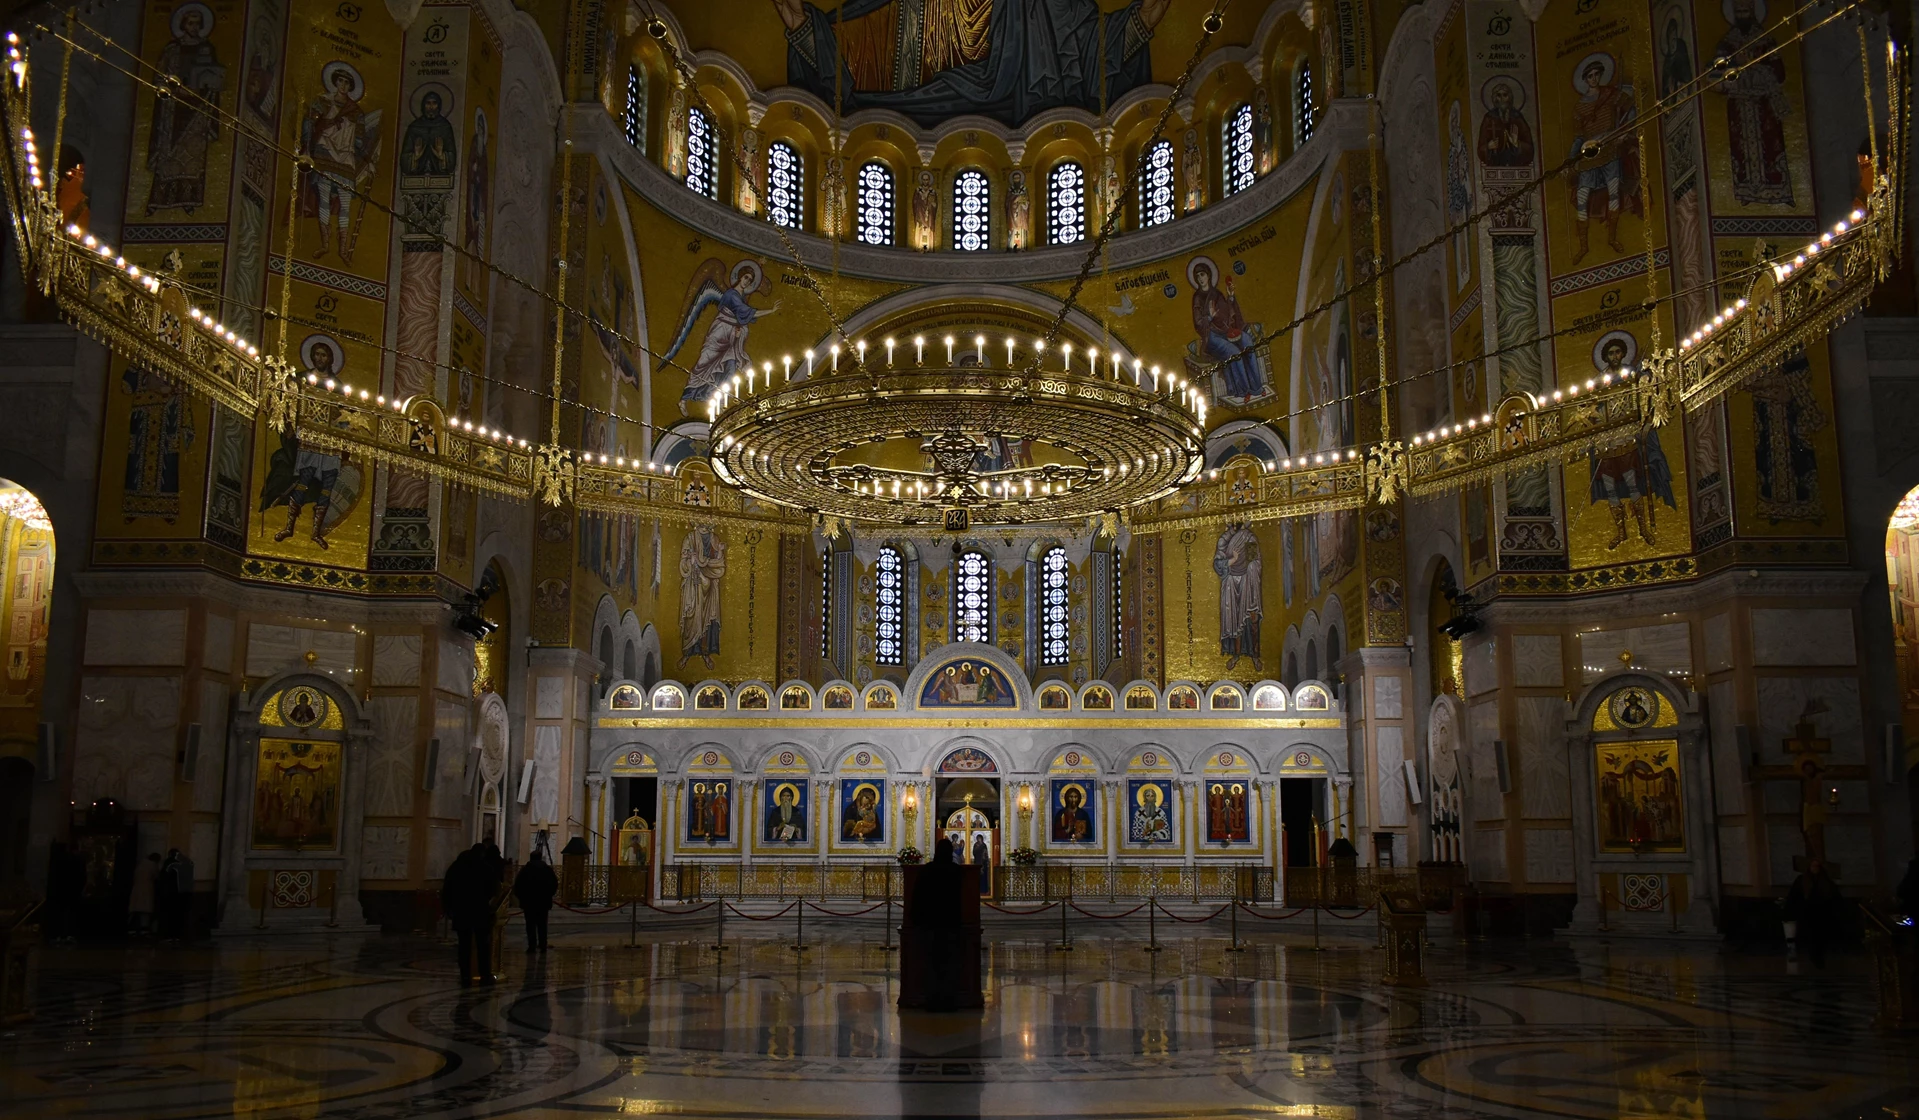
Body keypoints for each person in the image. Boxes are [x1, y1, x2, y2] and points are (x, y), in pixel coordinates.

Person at [911, 838, 966, 1011]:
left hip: (930, 923)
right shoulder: (955, 871)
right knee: (950, 963)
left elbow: (918, 896)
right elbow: (962, 897)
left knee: (931, 963)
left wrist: (916, 920)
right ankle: (949, 1001)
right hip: (950, 923)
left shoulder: (927, 870)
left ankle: (931, 1000)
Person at [443, 843, 502, 985]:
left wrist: (449, 908)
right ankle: (485, 975)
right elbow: (494, 889)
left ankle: (465, 975)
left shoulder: (456, 868)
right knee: (483, 945)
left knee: (464, 946)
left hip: (461, 911)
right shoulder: (485, 868)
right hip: (480, 911)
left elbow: (447, 890)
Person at [1784, 857, 1840, 966]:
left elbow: (1834, 897)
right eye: (1813, 866)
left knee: (1820, 938)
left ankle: (1818, 957)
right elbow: (1794, 896)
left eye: (1817, 866)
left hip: (1822, 914)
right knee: (1811, 938)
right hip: (1807, 914)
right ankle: (1814, 957)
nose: (1815, 868)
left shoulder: (1825, 881)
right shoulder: (1802, 880)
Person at [513, 851, 559, 953]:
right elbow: (554, 884)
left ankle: (531, 946)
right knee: (542, 925)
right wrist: (548, 895)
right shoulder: (547, 870)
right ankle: (543, 945)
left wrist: (522, 898)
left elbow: (518, 885)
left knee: (530, 925)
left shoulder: (525, 870)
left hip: (529, 902)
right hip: (543, 902)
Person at [128, 852, 161, 935]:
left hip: (136, 888)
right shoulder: (153, 865)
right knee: (145, 910)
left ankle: (131, 927)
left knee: (135, 909)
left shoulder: (140, 864)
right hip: (147, 888)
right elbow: (156, 876)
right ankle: (144, 928)